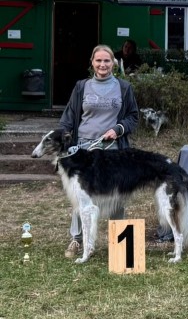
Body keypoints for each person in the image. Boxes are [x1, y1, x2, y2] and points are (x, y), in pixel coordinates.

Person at [59, 44, 140, 258]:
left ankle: (120, 246)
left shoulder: (124, 87)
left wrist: (118, 129)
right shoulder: (81, 87)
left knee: (117, 194)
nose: (102, 64)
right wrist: (64, 140)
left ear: (113, 63)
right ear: (92, 63)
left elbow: (133, 117)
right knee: (81, 198)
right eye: (98, 60)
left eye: (107, 60)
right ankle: (77, 240)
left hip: (113, 150)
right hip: (84, 149)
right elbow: (68, 118)